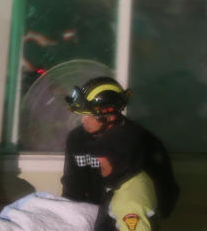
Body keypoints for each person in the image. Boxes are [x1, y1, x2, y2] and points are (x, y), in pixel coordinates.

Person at [62, 77, 178, 217]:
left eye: (89, 115)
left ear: (109, 115)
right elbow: (71, 184)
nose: (83, 120)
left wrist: (147, 220)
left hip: (130, 218)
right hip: (88, 220)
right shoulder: (76, 140)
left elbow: (166, 189)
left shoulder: (145, 143)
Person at [73, 123, 160, 231]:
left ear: (121, 158)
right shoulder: (132, 179)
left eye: (104, 156)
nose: (99, 161)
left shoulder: (130, 202)